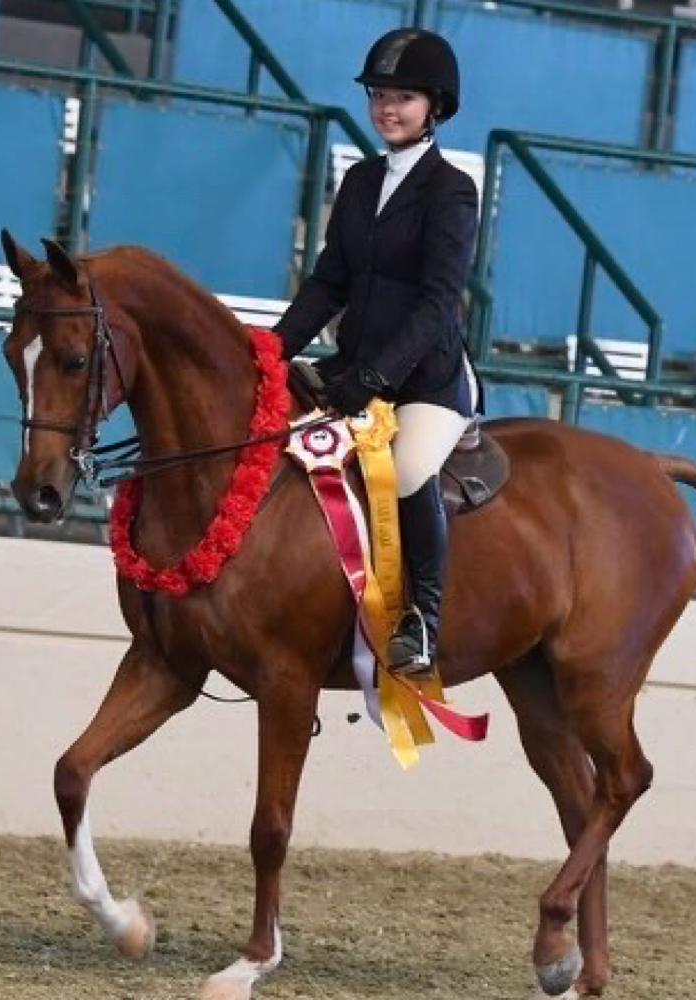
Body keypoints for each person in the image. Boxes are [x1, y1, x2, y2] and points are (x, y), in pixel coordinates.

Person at [275, 27, 480, 676]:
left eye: (405, 98)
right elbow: (330, 280)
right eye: (379, 95)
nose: (387, 109)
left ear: (435, 108)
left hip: (425, 380)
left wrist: (374, 376)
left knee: (409, 469)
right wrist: (271, 348)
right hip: (353, 369)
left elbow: (437, 303)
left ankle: (421, 621)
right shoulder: (361, 181)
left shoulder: (452, 191)